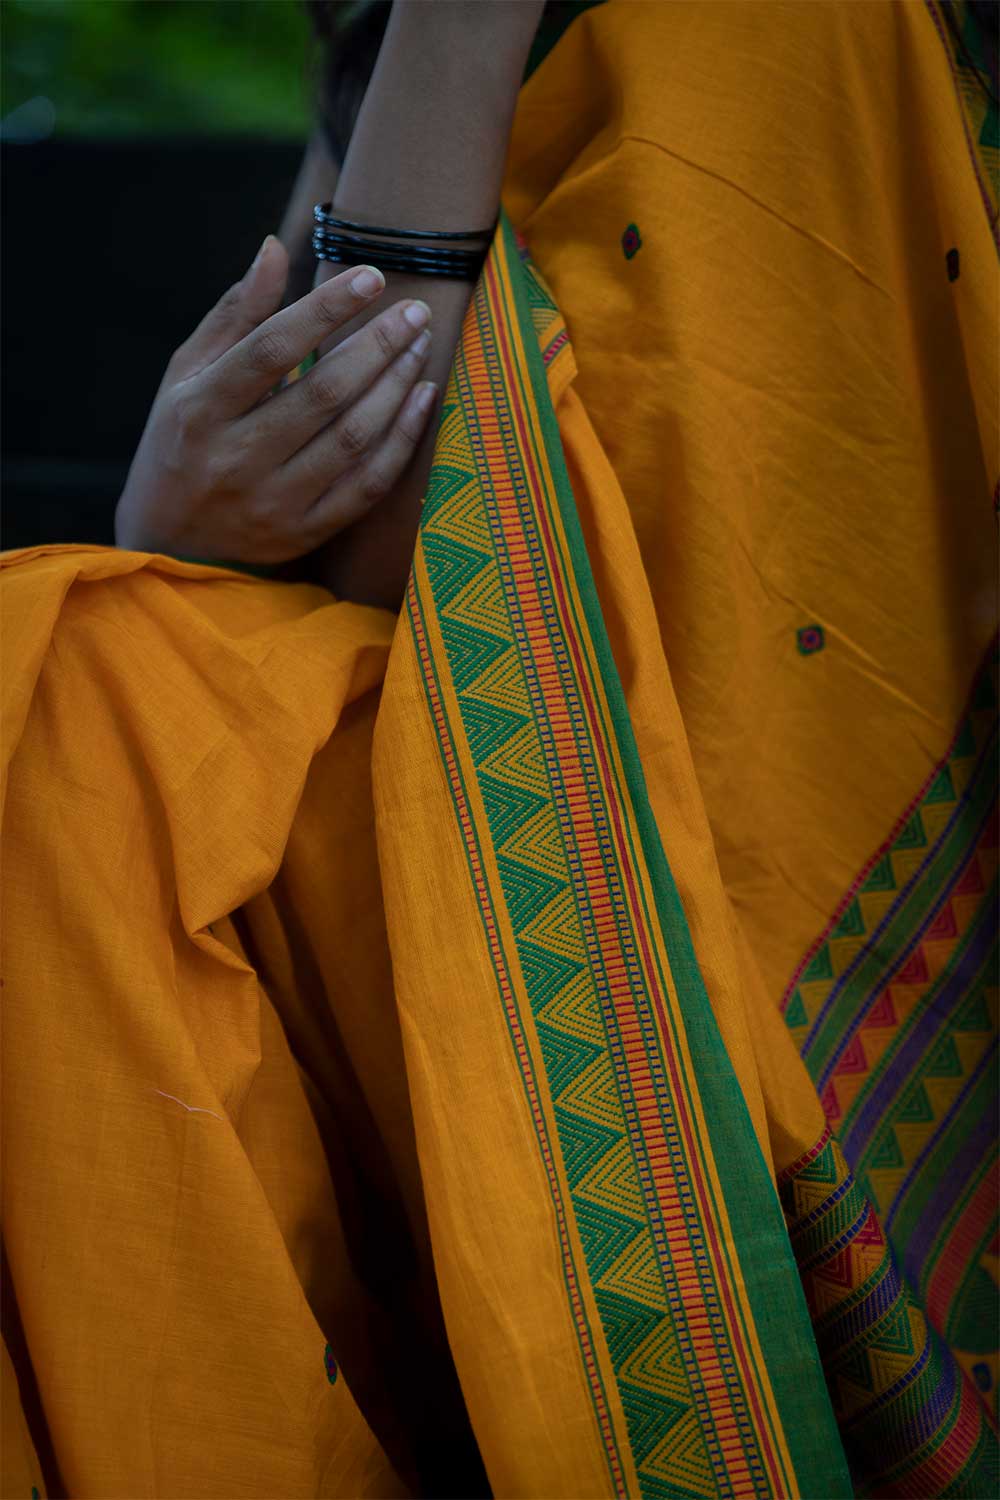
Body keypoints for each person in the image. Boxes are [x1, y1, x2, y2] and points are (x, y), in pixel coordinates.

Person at [2, 2, 997, 1497]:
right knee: (69, 682)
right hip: (443, 787)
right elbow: (362, 511)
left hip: (771, 841)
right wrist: (164, 526)